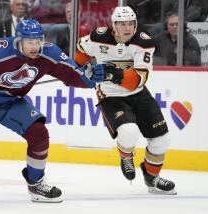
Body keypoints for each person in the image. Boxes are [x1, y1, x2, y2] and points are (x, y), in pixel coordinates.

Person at [0, 19, 106, 203]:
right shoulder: (0, 50)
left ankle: (36, 184)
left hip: (12, 101)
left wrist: (90, 79)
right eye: (30, 42)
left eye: (38, 41)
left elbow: (73, 74)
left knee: (39, 134)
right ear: (19, 41)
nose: (35, 46)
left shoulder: (49, 53)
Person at [74, 6, 177, 195]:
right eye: (122, 24)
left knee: (162, 140)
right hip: (111, 96)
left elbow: (137, 80)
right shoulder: (98, 37)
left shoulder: (144, 43)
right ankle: (126, 156)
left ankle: (152, 178)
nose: (127, 28)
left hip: (138, 93)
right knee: (129, 132)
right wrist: (83, 67)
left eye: (131, 23)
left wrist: (110, 72)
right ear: (114, 25)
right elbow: (81, 51)